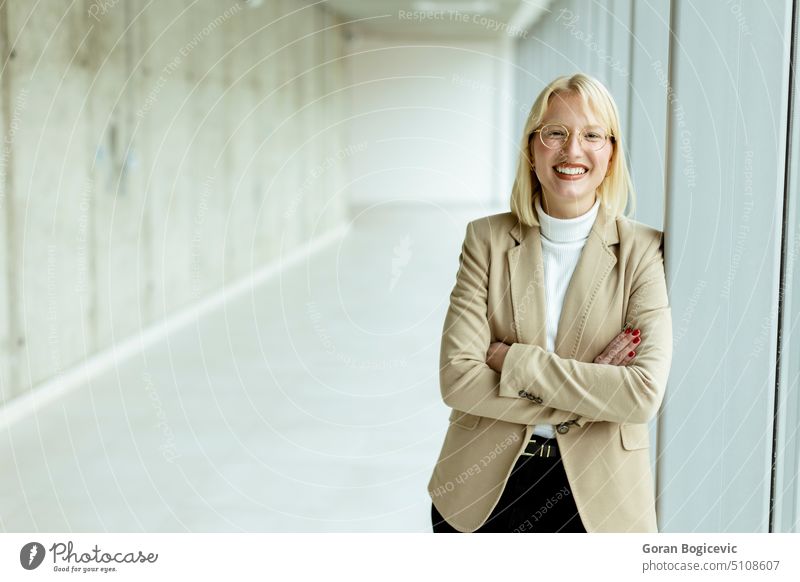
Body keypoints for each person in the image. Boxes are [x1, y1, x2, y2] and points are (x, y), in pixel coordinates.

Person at [428, 73, 673, 533]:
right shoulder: (486, 240)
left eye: (592, 135)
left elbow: (640, 395)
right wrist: (596, 392)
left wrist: (511, 362)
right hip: (481, 493)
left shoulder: (644, 250)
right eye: (555, 132)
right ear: (531, 148)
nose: (572, 150)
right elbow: (459, 379)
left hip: (601, 502)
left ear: (611, 153)